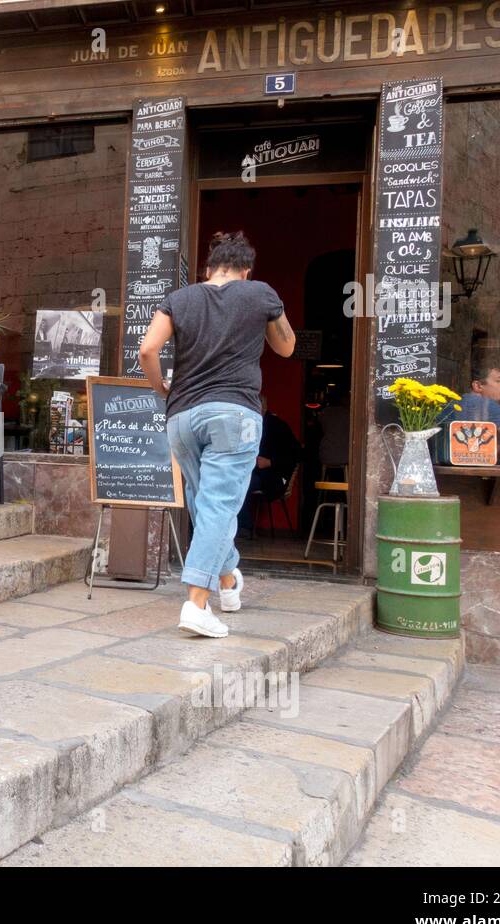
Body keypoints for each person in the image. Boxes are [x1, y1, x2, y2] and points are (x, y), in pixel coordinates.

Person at [140, 231, 296, 638]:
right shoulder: (259, 293)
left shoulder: (180, 298)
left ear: (208, 268)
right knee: (218, 505)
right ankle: (196, 603)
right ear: (246, 270)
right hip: (233, 413)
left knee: (203, 502)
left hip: (182, 416)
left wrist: (161, 389)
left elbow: (147, 351)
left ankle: (228, 582)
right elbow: (287, 349)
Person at [238, 394, 301, 534]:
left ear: (263, 407)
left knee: (242, 482)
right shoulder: (248, 425)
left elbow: (297, 454)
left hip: (273, 478)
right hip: (252, 473)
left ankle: (243, 526)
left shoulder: (277, 425)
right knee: (230, 479)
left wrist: (270, 462)